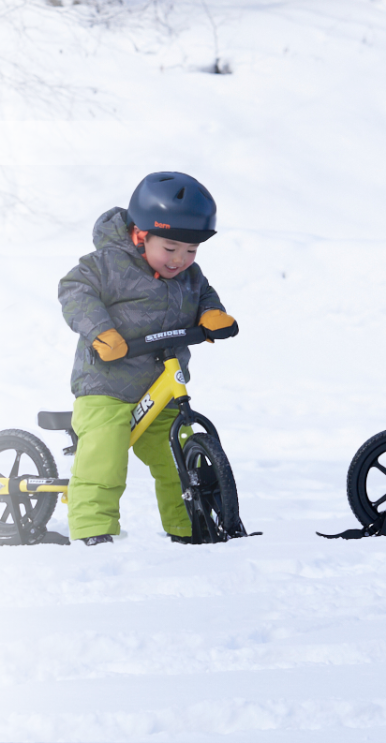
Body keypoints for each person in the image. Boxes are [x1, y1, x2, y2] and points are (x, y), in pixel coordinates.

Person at [59, 171, 238, 546]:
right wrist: (101, 332)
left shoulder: (190, 275)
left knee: (178, 456)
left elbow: (203, 293)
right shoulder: (108, 264)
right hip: (106, 384)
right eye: (170, 248)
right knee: (105, 457)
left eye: (191, 251)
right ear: (141, 235)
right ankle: (93, 530)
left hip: (160, 387)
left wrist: (210, 313)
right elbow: (75, 291)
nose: (180, 260)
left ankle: (192, 525)